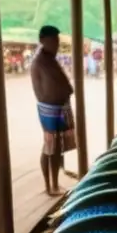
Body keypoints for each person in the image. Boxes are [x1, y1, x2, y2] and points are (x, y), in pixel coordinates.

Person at [30, 25, 77, 196]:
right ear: (43, 40)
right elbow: (44, 91)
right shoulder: (40, 61)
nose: (56, 44)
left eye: (57, 40)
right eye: (53, 40)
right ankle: (50, 185)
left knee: (57, 147)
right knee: (50, 147)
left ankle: (54, 183)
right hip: (49, 109)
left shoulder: (50, 58)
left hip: (59, 107)